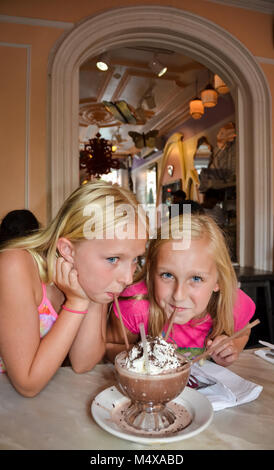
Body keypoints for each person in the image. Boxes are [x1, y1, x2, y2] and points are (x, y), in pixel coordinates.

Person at [0, 181, 147, 396]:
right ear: (68, 250)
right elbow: (27, 384)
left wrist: (88, 297)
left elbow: (83, 363)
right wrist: (76, 303)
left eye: (135, 260)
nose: (127, 278)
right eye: (113, 258)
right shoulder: (15, 265)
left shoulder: (91, 279)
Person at [106, 213, 255, 367]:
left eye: (196, 278)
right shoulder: (135, 305)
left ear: (218, 281)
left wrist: (232, 347)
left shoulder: (231, 303)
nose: (178, 295)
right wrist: (139, 353)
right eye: (167, 275)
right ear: (151, 272)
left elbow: (244, 331)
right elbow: (108, 348)